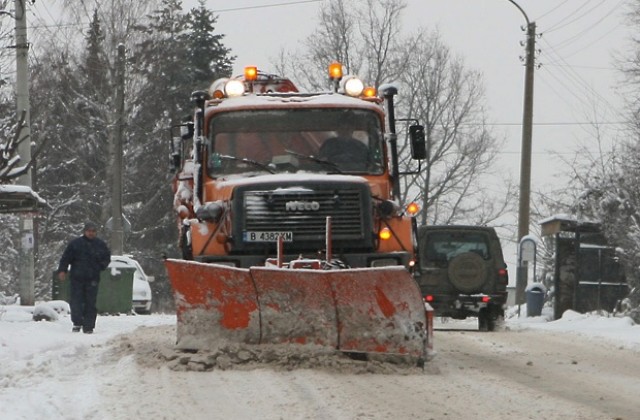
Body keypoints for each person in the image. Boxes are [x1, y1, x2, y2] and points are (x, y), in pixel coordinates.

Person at [57, 221, 111, 334]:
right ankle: (77, 323)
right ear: (84, 232)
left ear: (96, 232)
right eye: (89, 231)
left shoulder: (100, 245)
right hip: (77, 278)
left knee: (90, 303)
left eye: (93, 231)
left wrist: (100, 266)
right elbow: (66, 258)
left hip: (93, 278)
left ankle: (89, 326)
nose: (91, 233)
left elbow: (106, 258)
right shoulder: (75, 244)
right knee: (76, 302)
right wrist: (62, 270)